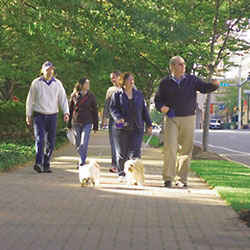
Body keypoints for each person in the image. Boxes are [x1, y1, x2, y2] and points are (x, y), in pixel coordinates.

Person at [154, 56, 219, 187]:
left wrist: (214, 85)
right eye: (180, 64)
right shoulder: (164, 83)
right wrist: (162, 107)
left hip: (188, 117)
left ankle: (182, 179)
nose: (183, 66)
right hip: (171, 118)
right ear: (172, 67)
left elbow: (204, 88)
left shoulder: (192, 80)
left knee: (185, 149)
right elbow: (158, 100)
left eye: (184, 64)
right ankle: (168, 178)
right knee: (170, 147)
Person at [26, 61, 69, 173]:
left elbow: (62, 99)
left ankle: (46, 163)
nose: (49, 72)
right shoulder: (36, 83)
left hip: (52, 115)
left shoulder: (57, 84)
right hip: (39, 115)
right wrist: (28, 114)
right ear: (42, 71)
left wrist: (66, 112)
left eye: (51, 70)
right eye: (47, 70)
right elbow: (30, 99)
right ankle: (38, 163)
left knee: (51, 141)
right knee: (40, 139)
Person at [110, 72, 152, 182]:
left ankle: (135, 175)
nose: (132, 81)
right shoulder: (117, 95)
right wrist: (118, 118)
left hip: (137, 127)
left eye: (133, 79)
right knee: (121, 152)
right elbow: (113, 109)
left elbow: (144, 111)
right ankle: (121, 173)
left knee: (135, 152)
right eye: (129, 79)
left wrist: (149, 124)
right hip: (120, 127)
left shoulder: (138, 94)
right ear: (123, 82)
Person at [68, 77, 98, 169]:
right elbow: (70, 109)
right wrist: (69, 124)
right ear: (81, 84)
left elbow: (95, 111)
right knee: (78, 143)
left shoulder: (91, 96)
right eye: (86, 83)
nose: (88, 85)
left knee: (84, 142)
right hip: (76, 121)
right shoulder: (74, 95)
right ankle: (81, 158)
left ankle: (82, 162)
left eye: (88, 83)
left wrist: (96, 126)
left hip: (87, 122)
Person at [102, 70, 121, 173]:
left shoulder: (128, 87)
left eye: (114, 77)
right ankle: (115, 164)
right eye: (111, 78)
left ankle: (123, 164)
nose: (112, 80)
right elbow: (106, 105)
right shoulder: (110, 90)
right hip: (113, 119)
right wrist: (104, 117)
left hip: (125, 119)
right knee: (113, 143)